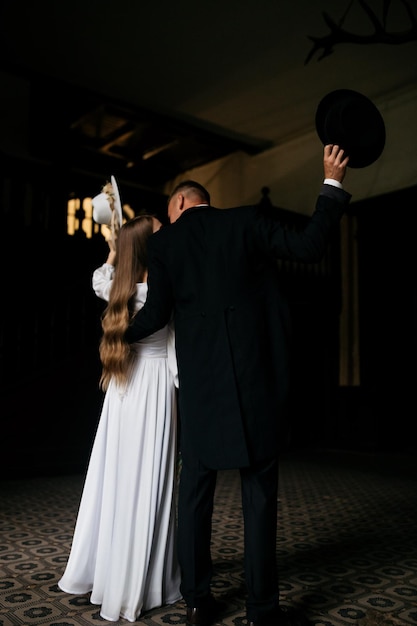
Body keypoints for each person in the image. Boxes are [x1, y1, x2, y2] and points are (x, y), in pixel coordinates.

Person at [124, 144, 351, 626]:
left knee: (195, 498)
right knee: (260, 499)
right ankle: (262, 610)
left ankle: (198, 601)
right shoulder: (246, 221)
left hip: (203, 392)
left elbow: (156, 314)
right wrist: (331, 182)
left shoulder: (165, 245)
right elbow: (311, 246)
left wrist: (115, 333)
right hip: (255, 385)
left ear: (180, 204)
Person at [58, 214, 181, 623]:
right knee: (149, 480)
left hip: (122, 386)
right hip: (155, 383)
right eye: (163, 233)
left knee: (116, 479)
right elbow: (177, 346)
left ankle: (111, 573)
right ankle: (145, 582)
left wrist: (114, 250)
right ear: (151, 249)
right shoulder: (164, 287)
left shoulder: (120, 287)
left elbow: (99, 279)